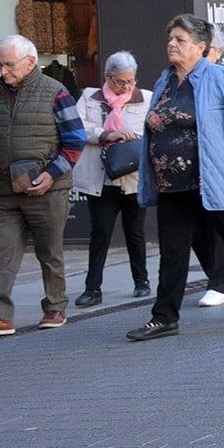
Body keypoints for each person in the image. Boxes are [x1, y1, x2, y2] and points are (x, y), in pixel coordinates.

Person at [126, 14, 224, 341]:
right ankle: (164, 317)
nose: (172, 44)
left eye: (180, 40)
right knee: (172, 253)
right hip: (172, 185)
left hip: (214, 180)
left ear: (200, 47)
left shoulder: (223, 80)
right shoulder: (165, 82)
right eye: (170, 39)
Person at [0, 34, 85, 335]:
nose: (3, 71)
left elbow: (75, 140)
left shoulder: (56, 92)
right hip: (4, 190)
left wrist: (51, 174)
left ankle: (55, 307)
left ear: (30, 62)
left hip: (47, 190)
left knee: (49, 252)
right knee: (0, 254)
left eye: (9, 65)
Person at [73, 51, 151, 307]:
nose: (127, 86)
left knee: (135, 231)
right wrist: (106, 134)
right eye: (120, 81)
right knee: (100, 233)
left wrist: (134, 137)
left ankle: (141, 281)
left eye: (131, 80)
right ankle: (92, 288)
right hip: (101, 178)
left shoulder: (146, 98)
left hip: (133, 177)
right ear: (107, 76)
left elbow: (155, 132)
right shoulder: (89, 98)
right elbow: (77, 128)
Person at [191, 23, 224, 309]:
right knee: (195, 226)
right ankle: (216, 274)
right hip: (189, 169)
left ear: (215, 51)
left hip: (221, 166)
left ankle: (220, 282)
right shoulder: (177, 81)